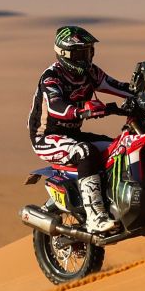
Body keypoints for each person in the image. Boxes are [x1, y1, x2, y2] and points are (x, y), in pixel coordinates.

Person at [28, 25, 133, 233]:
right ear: (66, 54)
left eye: (88, 51)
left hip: (73, 134)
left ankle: (116, 202)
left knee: (118, 147)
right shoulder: (51, 77)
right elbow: (56, 106)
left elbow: (118, 87)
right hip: (46, 137)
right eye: (81, 53)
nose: (86, 57)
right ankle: (95, 217)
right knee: (85, 152)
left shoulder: (91, 73)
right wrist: (80, 111)